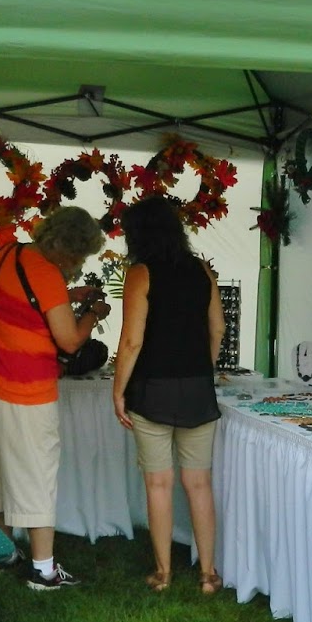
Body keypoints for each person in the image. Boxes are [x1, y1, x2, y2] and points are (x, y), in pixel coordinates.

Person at [0, 205, 108, 590]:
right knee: (36, 475)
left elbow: (10, 302)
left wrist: (67, 295)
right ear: (68, 250)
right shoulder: (47, 274)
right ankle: (43, 570)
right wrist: (92, 314)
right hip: (26, 389)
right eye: (79, 256)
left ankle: (1, 554)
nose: (77, 264)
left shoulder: (6, 253)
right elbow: (69, 340)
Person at [111, 195, 225, 594]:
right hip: (197, 391)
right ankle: (208, 575)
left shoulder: (140, 273)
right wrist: (203, 367)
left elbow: (131, 341)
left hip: (152, 390)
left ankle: (163, 574)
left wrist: (118, 390)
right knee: (199, 484)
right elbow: (217, 329)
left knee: (159, 484)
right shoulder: (202, 270)